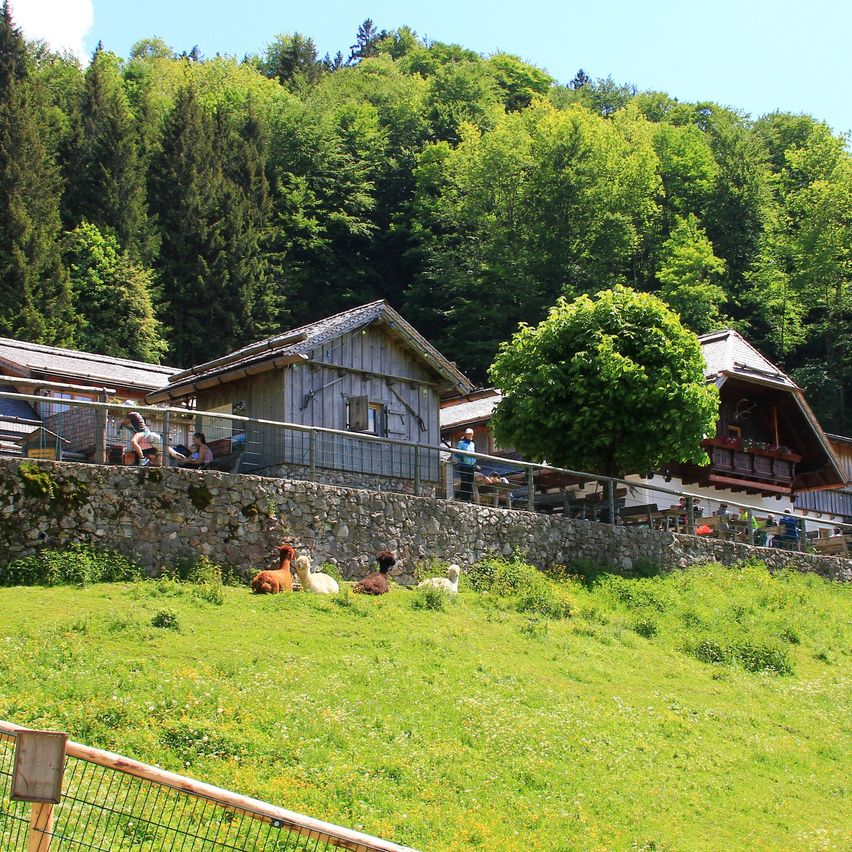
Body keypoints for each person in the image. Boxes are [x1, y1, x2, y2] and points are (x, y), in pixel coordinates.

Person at [454, 428, 476, 502]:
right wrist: (460, 457)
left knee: (470, 482)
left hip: (471, 466)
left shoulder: (472, 444)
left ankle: (468, 499)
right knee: (465, 482)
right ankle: (463, 499)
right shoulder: (461, 443)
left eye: (470, 434)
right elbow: (457, 453)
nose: (469, 435)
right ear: (465, 435)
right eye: (468, 434)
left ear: (472, 435)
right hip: (464, 465)